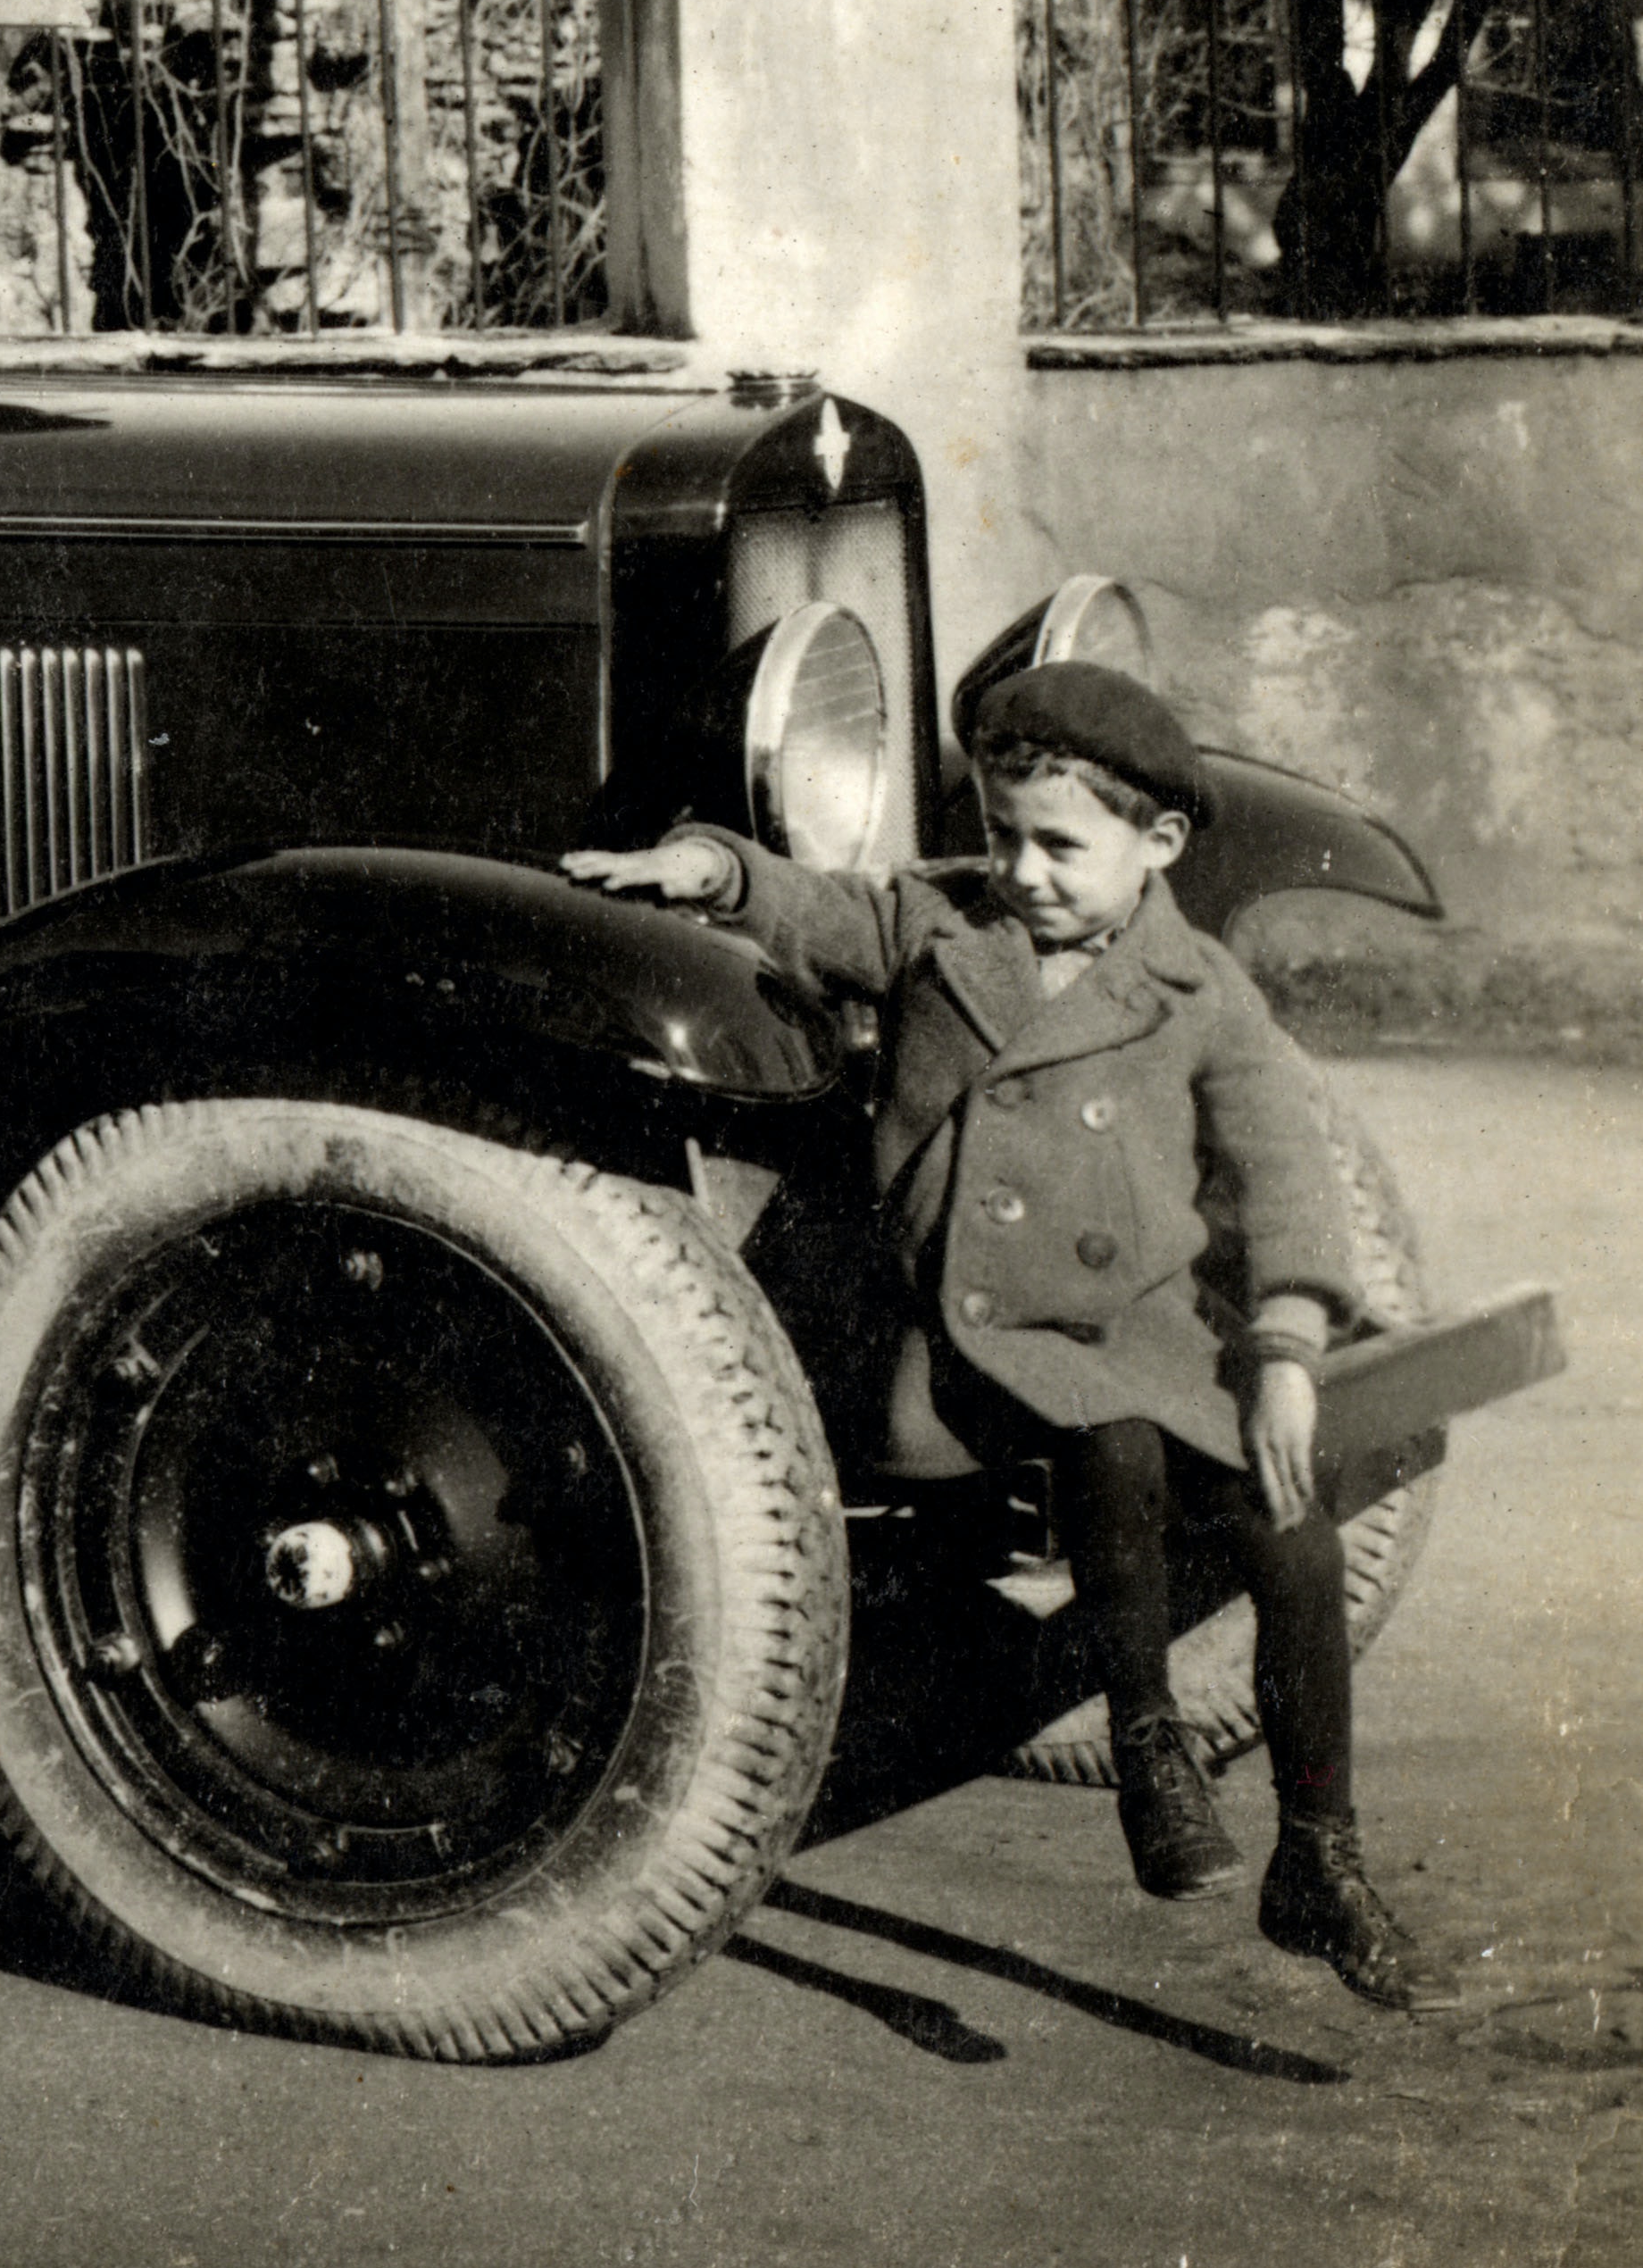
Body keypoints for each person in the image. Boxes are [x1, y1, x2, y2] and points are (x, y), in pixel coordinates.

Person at [565, 660, 1422, 2006]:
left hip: (1139, 1321)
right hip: (966, 1340)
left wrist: (1288, 1354)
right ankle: (1149, 1753)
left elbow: (1286, 1179)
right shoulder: (939, 925)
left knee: (1289, 1525)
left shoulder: (1199, 993)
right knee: (1117, 1451)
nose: (1024, 872)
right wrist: (713, 872)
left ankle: (1319, 1854)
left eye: (1062, 848)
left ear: (1161, 847)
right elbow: (820, 909)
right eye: (1005, 835)